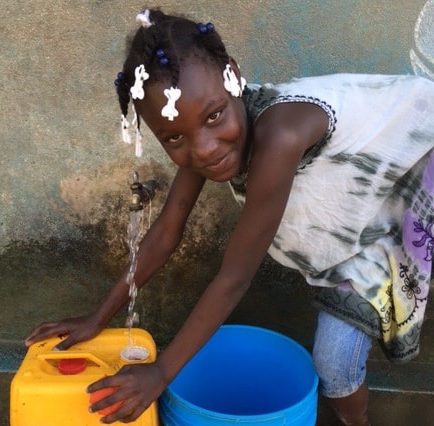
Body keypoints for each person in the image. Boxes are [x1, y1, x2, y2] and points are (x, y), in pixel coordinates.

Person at [25, 8, 434, 426]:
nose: (202, 150)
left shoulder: (279, 137)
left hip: (416, 163)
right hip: (366, 221)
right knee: (335, 363)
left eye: (214, 116)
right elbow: (167, 232)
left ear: (233, 77)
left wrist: (162, 372)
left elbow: (234, 277)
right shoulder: (203, 130)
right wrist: (98, 317)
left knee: (334, 367)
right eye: (175, 138)